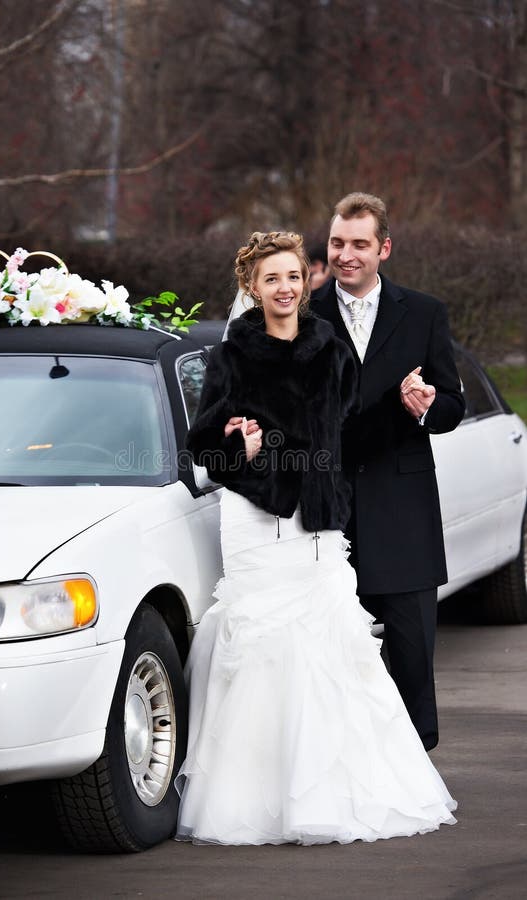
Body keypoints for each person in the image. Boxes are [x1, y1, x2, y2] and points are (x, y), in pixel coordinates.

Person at [175, 230, 456, 846]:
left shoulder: (329, 349)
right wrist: (235, 449)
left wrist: (404, 409)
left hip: (319, 521)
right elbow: (201, 449)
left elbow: (349, 435)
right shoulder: (230, 358)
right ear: (252, 285)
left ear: (308, 283)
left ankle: (339, 790)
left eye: (294, 277)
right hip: (255, 517)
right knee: (264, 648)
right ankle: (257, 799)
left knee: (333, 648)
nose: (285, 288)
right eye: (272, 278)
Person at [310, 192, 465, 752]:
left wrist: (427, 406)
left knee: (411, 649)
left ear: (384, 248)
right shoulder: (304, 315)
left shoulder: (424, 313)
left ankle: (416, 761)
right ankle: (344, 758)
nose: (346, 255)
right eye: (337, 243)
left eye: (358, 244)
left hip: (402, 509)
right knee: (329, 649)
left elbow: (452, 405)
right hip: (326, 509)